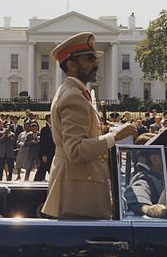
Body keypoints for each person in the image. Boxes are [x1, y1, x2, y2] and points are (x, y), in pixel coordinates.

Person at [41, 32, 137, 220]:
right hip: (78, 194)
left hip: (77, 187)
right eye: (89, 58)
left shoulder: (71, 92)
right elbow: (75, 149)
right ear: (71, 64)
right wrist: (114, 138)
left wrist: (102, 132)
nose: (96, 63)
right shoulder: (73, 97)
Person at [123, 128, 167, 218]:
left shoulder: (164, 178)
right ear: (155, 159)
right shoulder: (146, 179)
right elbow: (136, 194)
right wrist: (147, 209)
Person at [34, 114, 55, 181]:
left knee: (51, 169)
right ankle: (36, 183)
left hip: (53, 153)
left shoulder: (55, 128)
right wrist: (43, 154)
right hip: (46, 154)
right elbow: (42, 143)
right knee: (42, 170)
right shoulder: (44, 129)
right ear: (48, 119)